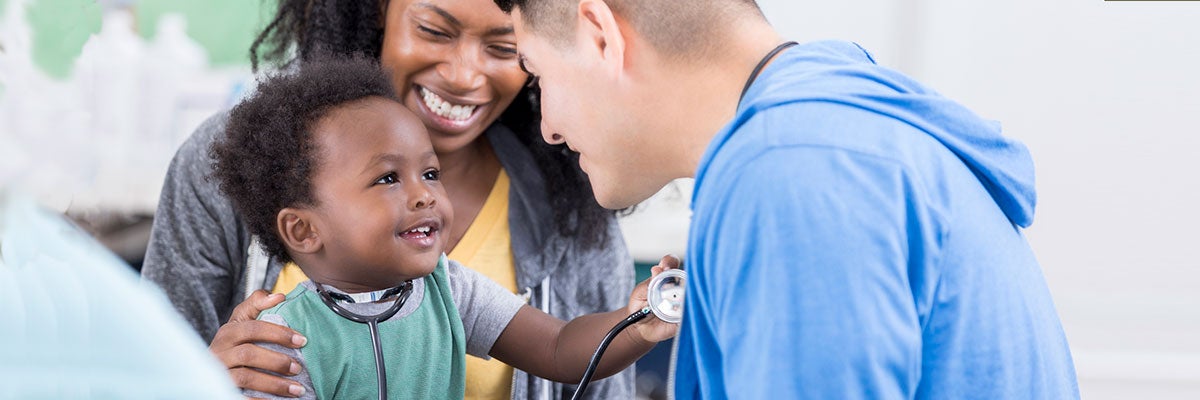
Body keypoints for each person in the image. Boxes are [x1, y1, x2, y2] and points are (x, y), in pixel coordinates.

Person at [494, 0, 1080, 398]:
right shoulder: (833, 133)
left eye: (540, 76)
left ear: (600, 36)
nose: (547, 128)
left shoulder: (790, 169)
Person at [140, 0, 636, 398]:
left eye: (505, 48)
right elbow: (140, 375)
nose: (464, 75)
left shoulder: (565, 212)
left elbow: (565, 350)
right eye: (435, 31)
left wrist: (646, 319)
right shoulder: (287, 328)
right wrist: (202, 378)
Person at [209, 55, 675, 400]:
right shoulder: (280, 339)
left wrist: (634, 326)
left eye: (430, 173)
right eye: (388, 178)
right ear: (303, 230)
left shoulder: (449, 291)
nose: (424, 194)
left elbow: (557, 348)